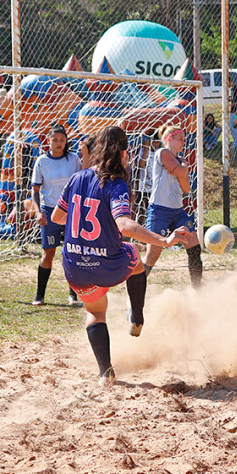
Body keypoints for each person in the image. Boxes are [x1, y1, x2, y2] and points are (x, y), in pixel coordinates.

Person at [50, 126, 187, 380]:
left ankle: (105, 373)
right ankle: (136, 315)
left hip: (75, 264)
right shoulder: (117, 184)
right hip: (107, 262)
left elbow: (57, 217)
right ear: (124, 153)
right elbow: (125, 225)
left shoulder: (77, 178)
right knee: (133, 254)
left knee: (95, 312)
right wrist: (164, 241)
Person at [144, 125, 204, 289]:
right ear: (169, 138)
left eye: (184, 139)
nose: (183, 142)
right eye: (180, 139)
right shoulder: (162, 153)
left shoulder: (180, 159)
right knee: (153, 255)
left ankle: (198, 290)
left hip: (177, 211)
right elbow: (178, 170)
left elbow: (186, 188)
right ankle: (135, 291)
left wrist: (181, 170)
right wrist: (182, 169)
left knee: (194, 247)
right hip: (159, 210)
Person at [31, 123, 83, 306]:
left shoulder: (74, 159)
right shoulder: (41, 161)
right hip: (49, 211)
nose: (59, 143)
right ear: (48, 141)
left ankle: (73, 296)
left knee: (72, 253)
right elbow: (35, 190)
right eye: (55, 140)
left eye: (62, 140)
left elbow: (81, 184)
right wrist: (38, 211)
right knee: (48, 254)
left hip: (70, 211)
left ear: (66, 141)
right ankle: (39, 295)